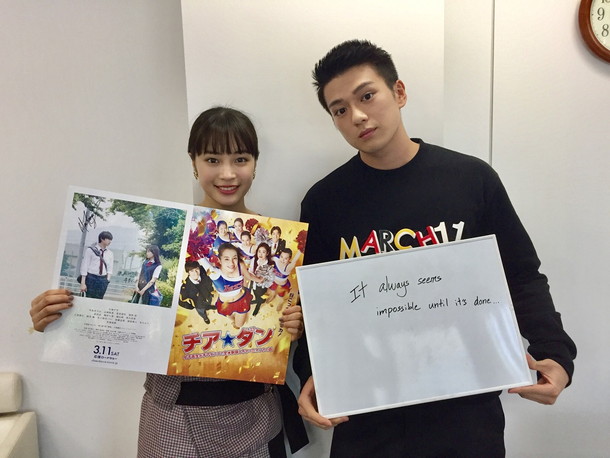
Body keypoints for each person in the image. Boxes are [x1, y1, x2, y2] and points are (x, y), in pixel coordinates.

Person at [294, 40, 577, 457]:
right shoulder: (324, 202)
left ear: (399, 92)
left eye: (366, 96)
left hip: (466, 412)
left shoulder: (471, 179)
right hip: (368, 416)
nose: (356, 116)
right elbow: (314, 305)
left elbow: (520, 274)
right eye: (339, 110)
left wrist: (555, 353)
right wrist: (313, 373)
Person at [30, 107, 308, 457]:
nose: (227, 173)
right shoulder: (173, 234)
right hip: (172, 419)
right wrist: (59, 318)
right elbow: (119, 327)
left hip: (255, 416)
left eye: (240, 159)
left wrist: (294, 326)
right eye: (212, 159)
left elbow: (277, 329)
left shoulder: (274, 243)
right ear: (194, 163)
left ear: (255, 163)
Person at [198, 242, 261, 329]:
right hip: (225, 304)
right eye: (226, 259)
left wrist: (259, 279)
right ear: (219, 260)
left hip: (241, 301)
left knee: (239, 325)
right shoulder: (214, 273)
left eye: (234, 258)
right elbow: (198, 256)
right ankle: (233, 320)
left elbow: (248, 276)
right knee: (230, 317)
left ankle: (236, 323)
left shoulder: (240, 265)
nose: (231, 263)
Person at [78, 230, 114, 299]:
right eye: (108, 239)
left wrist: (107, 280)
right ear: (102, 239)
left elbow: (110, 268)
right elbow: (85, 266)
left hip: (103, 279)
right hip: (91, 278)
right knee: (88, 298)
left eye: (111, 239)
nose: (110, 241)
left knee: (99, 300)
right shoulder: (90, 250)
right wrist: (83, 283)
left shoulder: (110, 253)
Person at [249, 242, 275, 316]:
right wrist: (254, 277)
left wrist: (263, 280)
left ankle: (258, 305)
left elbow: (270, 278)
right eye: (259, 251)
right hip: (254, 282)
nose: (260, 254)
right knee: (255, 293)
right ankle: (257, 300)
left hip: (262, 286)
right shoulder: (254, 259)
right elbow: (250, 270)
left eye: (263, 252)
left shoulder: (269, 264)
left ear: (267, 253)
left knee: (261, 296)